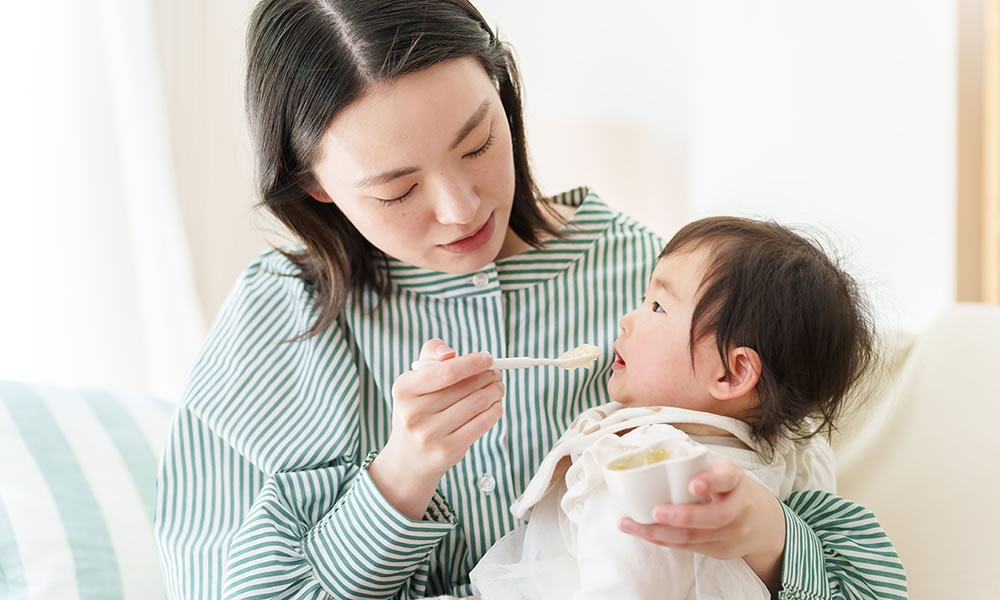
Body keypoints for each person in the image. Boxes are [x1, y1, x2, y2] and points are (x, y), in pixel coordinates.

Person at [152, 1, 907, 599]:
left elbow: (841, 558)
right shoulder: (279, 320)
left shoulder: (669, 292)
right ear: (316, 186)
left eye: (479, 143)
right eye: (398, 189)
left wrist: (764, 536)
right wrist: (400, 476)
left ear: (505, 94)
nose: (459, 208)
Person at [469, 216, 889, 599]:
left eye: (657, 307)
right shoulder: (803, 452)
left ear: (731, 372)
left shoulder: (641, 466)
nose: (625, 320)